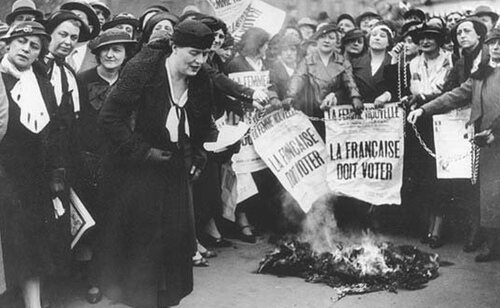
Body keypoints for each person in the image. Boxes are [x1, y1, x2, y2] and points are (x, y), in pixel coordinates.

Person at [93, 20, 217, 307]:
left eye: (205, 54)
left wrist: (198, 153)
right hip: (136, 171)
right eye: (193, 53)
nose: (200, 61)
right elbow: (109, 119)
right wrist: (143, 152)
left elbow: (200, 122)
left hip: (173, 169)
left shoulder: (199, 80)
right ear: (174, 47)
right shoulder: (144, 71)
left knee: (172, 242)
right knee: (142, 245)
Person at [407, 27, 500, 262]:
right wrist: (423, 109)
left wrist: (495, 131)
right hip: (487, 144)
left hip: (494, 136)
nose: (497, 47)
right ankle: (492, 244)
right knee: (489, 194)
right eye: (493, 43)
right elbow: (455, 95)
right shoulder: (480, 74)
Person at [0, 21, 69, 308]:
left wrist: (55, 173)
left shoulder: (40, 83)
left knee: (33, 243)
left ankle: (33, 304)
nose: (26, 49)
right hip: (4, 174)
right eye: (22, 42)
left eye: (34, 46)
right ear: (8, 44)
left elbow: (53, 131)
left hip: (33, 177)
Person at [75, 28, 137, 303]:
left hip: (124, 161)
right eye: (106, 50)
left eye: (118, 50)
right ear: (97, 53)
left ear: (126, 54)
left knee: (120, 222)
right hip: (90, 162)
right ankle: (93, 280)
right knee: (94, 224)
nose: (111, 55)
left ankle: (117, 279)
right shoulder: (82, 80)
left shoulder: (133, 81)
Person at [284, 24, 362, 138]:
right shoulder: (307, 61)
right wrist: (291, 95)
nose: (327, 41)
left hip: (335, 115)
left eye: (331, 38)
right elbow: (298, 77)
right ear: (317, 40)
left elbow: (350, 82)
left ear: (337, 42)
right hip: (311, 113)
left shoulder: (343, 62)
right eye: (323, 37)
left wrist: (355, 97)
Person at [352, 22, 393, 105]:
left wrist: (388, 95)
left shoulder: (394, 63)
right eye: (374, 35)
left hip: (387, 112)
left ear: (388, 42)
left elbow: (401, 89)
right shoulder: (355, 63)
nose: (377, 38)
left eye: (382, 36)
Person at [60, 0, 101, 73]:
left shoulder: (97, 58)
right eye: (69, 18)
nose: (73, 23)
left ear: (90, 27)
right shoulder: (51, 51)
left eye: (79, 18)